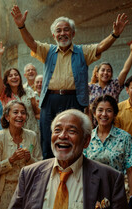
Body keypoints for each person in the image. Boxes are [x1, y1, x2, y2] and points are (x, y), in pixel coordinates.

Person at [11, 5, 128, 159]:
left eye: (66, 30)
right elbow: (31, 43)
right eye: (58, 31)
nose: (62, 33)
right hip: (50, 100)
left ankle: (73, 172)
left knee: (74, 138)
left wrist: (115, 34)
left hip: (75, 100)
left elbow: (100, 47)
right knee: (48, 139)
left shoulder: (82, 51)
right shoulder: (48, 50)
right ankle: (50, 175)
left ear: (72, 33)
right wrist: (21, 26)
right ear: (54, 35)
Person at [0, 109, 132, 209]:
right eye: (57, 130)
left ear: (86, 141)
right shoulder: (29, 174)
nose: (62, 136)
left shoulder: (110, 178)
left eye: (71, 131)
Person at [0, 100, 42, 209]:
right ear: (7, 116)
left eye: (23, 113)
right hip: (5, 191)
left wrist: (29, 159)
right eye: (15, 112)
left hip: (28, 191)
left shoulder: (31, 136)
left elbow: (41, 166)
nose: (20, 116)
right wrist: (10, 160)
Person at [84, 95, 132, 200]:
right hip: (92, 192)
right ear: (94, 113)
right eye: (100, 110)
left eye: (109, 111)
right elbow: (82, 168)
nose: (104, 114)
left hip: (117, 192)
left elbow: (130, 170)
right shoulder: (87, 139)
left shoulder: (125, 138)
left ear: (115, 114)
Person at [0, 41, 40, 139]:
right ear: (6, 81)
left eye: (16, 75)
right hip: (13, 134)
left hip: (32, 132)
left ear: (20, 77)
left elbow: (36, 112)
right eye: (10, 76)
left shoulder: (28, 92)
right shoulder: (4, 93)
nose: (14, 77)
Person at [89, 41, 132, 105]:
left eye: (108, 71)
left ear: (111, 75)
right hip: (94, 115)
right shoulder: (90, 88)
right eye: (103, 70)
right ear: (97, 74)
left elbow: (125, 71)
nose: (105, 73)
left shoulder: (115, 85)